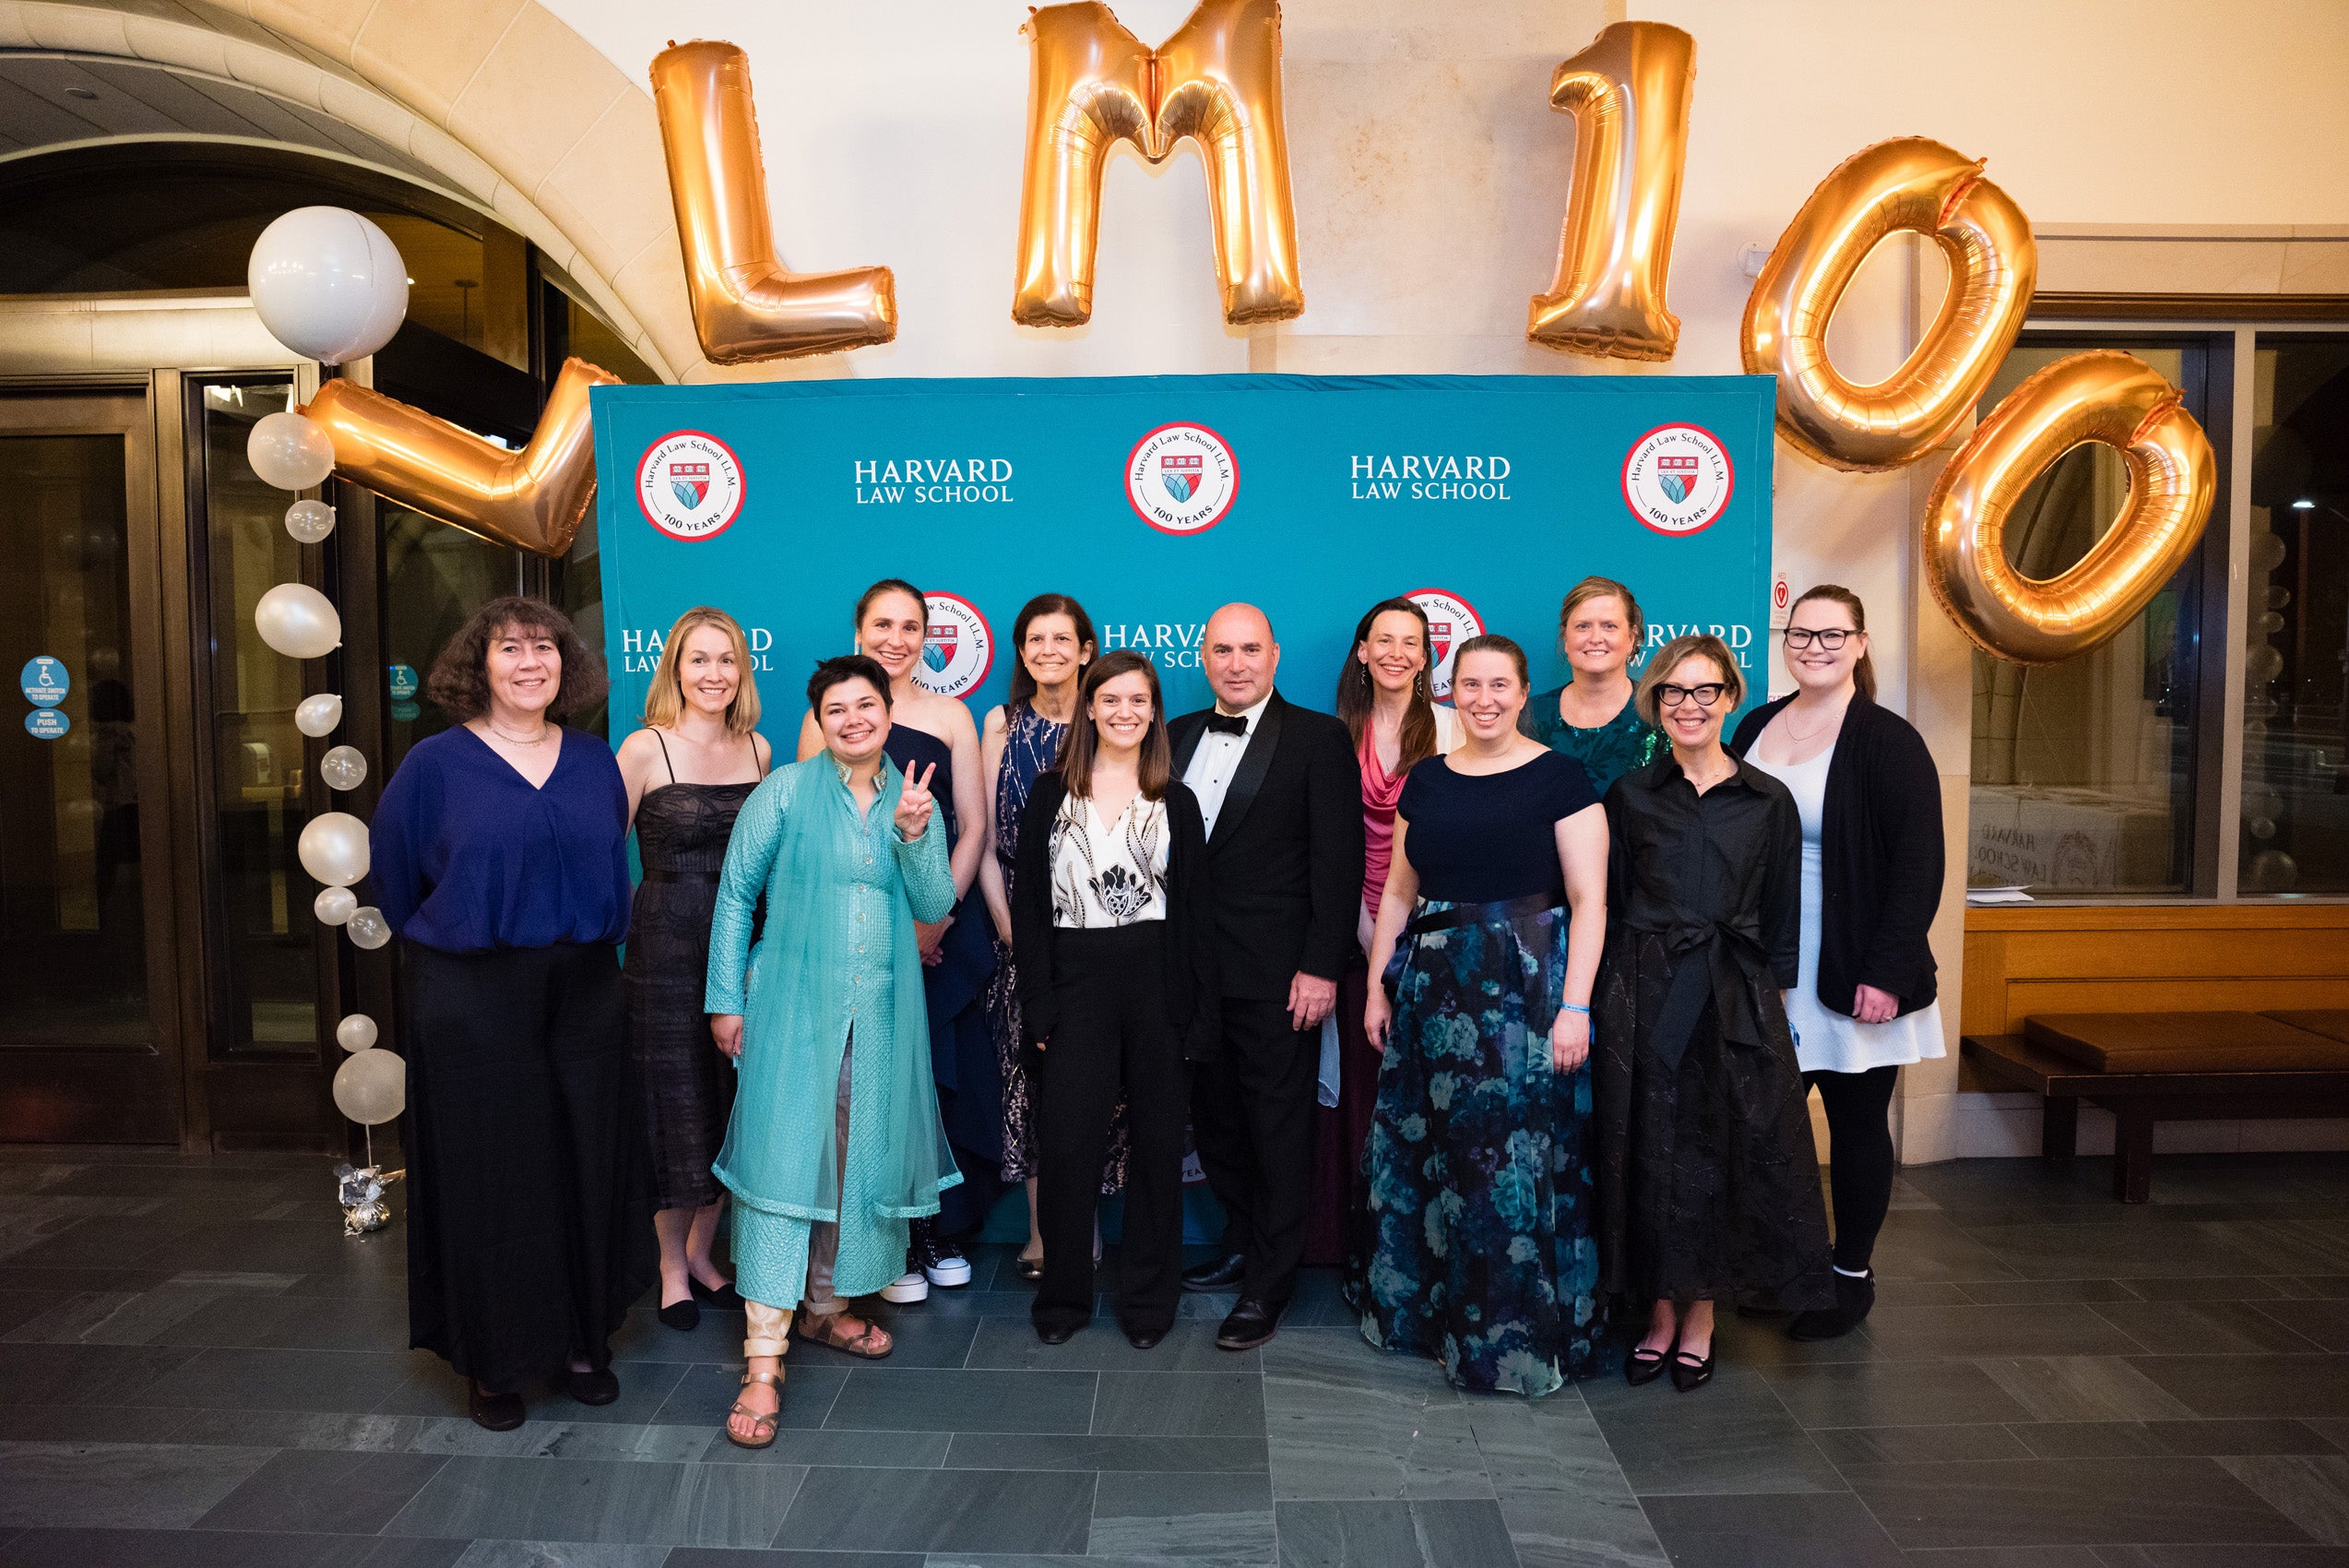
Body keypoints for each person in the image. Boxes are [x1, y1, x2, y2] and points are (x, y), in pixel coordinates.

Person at [372, 596, 653, 1432]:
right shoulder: (434, 765)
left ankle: (579, 1343)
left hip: (585, 990)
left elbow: (610, 862)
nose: (530, 663)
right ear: (478, 665)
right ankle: (496, 1360)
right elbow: (394, 875)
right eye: (510, 649)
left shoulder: (596, 760)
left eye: (545, 649)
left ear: (566, 665)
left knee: (583, 1160)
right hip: (473, 994)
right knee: (493, 1177)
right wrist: (461, 941)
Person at [707, 655, 960, 1449]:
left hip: (881, 1016)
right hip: (790, 1009)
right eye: (836, 709)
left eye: (867, 706)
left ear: (889, 712)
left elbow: (933, 903)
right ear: (818, 720)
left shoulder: (910, 797)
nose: (854, 719)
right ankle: (763, 1356)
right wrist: (725, 999)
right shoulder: (783, 790)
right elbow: (737, 893)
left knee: (855, 1164)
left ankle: (824, 1308)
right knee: (787, 1163)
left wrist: (915, 836)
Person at [1356, 636, 1609, 1396]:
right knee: (1431, 1154)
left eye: (1499, 684)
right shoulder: (1425, 781)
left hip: (1524, 989)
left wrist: (1574, 1007)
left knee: (1511, 1162)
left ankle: (1510, 1343)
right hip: (1431, 990)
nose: (1484, 698)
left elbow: (1590, 900)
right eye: (1470, 685)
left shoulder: (1561, 778)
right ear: (1450, 692)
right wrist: (1376, 986)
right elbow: (1399, 892)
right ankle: (1432, 1322)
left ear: (1523, 689)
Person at [1595, 634, 1833, 1393]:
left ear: (1729, 698)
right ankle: (1657, 1313)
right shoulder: (1629, 795)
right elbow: (1608, 901)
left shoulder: (1767, 800)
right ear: (1655, 705)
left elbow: (1781, 915)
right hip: (1645, 989)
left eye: (1704, 692)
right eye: (1673, 693)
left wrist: (1776, 1009)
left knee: (1715, 1154)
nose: (1689, 707)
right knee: (1647, 1149)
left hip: (1732, 994)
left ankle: (1700, 1317)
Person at [1733, 585, 1945, 1341]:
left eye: (1832, 635)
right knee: (1764, 1122)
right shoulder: (1755, 723)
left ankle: (1848, 1276)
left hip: (1852, 955)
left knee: (1855, 1122)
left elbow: (1918, 866)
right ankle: (1784, 1264)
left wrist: (1885, 973)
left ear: (1859, 643)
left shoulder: (1887, 741)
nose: (1813, 646)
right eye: (1801, 634)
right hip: (1763, 961)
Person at [1011, 652, 1219, 1348]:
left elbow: (1195, 916)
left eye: (1139, 701)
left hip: (1158, 987)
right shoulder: (1048, 794)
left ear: (1153, 712)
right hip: (1073, 985)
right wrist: (1036, 1004)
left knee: (1158, 1150)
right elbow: (1031, 909)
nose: (1125, 712)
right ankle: (1064, 1301)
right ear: (1089, 709)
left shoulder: (1176, 799)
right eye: (1111, 700)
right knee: (1069, 1147)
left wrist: (1197, 1012)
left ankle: (1148, 1303)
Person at [1171, 603, 1364, 1351]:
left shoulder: (1319, 739)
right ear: (1204, 655)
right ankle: (1241, 1242)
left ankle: (1270, 1281)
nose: (1237, 662)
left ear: (1275, 655)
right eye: (1222, 649)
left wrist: (1320, 966)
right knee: (1215, 1123)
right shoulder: (1175, 735)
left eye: (1250, 648)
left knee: (1276, 1130)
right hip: (1192, 975)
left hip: (1280, 975)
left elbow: (1337, 863)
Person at [799, 580, 992, 1301]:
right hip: (855, 939)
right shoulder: (826, 718)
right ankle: (887, 1245)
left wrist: (934, 918)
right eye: (883, 624)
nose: (896, 639)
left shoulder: (950, 714)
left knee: (935, 1084)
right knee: (869, 1091)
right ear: (858, 631)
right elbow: (815, 832)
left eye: (911, 626)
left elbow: (972, 824)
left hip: (939, 927)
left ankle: (937, 1228)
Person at [615, 607, 769, 1332]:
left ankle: (708, 1256)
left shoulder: (761, 750)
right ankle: (671, 1268)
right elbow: (598, 855)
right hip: (666, 949)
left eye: (727, 660)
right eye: (699, 660)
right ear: (674, 667)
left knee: (732, 1106)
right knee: (673, 1105)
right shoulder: (645, 749)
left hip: (744, 945)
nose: (714, 674)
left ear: (742, 671)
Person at [1310, 598, 1461, 1270]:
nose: (1397, 652)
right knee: (1364, 1097)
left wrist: (1407, 940)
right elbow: (1322, 850)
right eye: (1383, 640)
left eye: (1412, 641)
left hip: (1437, 940)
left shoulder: (1456, 730)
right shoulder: (1333, 737)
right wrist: (1369, 937)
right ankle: (1363, 1246)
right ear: (1362, 653)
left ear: (1426, 656)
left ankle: (1430, 1248)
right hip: (1352, 934)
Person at [978, 594, 1108, 1282]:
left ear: (1086, 649)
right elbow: (985, 844)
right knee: (1026, 1087)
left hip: (1098, 941)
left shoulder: (1109, 718)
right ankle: (1041, 1233)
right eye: (1035, 639)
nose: (1048, 650)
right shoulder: (1001, 724)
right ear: (1021, 652)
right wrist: (1011, 933)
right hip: (1017, 940)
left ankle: (1082, 1227)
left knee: (1094, 1090)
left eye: (1063, 639)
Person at [1521, 576, 1667, 793]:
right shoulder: (1529, 715)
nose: (1596, 637)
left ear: (1631, 638)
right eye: (1583, 626)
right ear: (1566, 638)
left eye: (1609, 626)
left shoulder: (1662, 713)